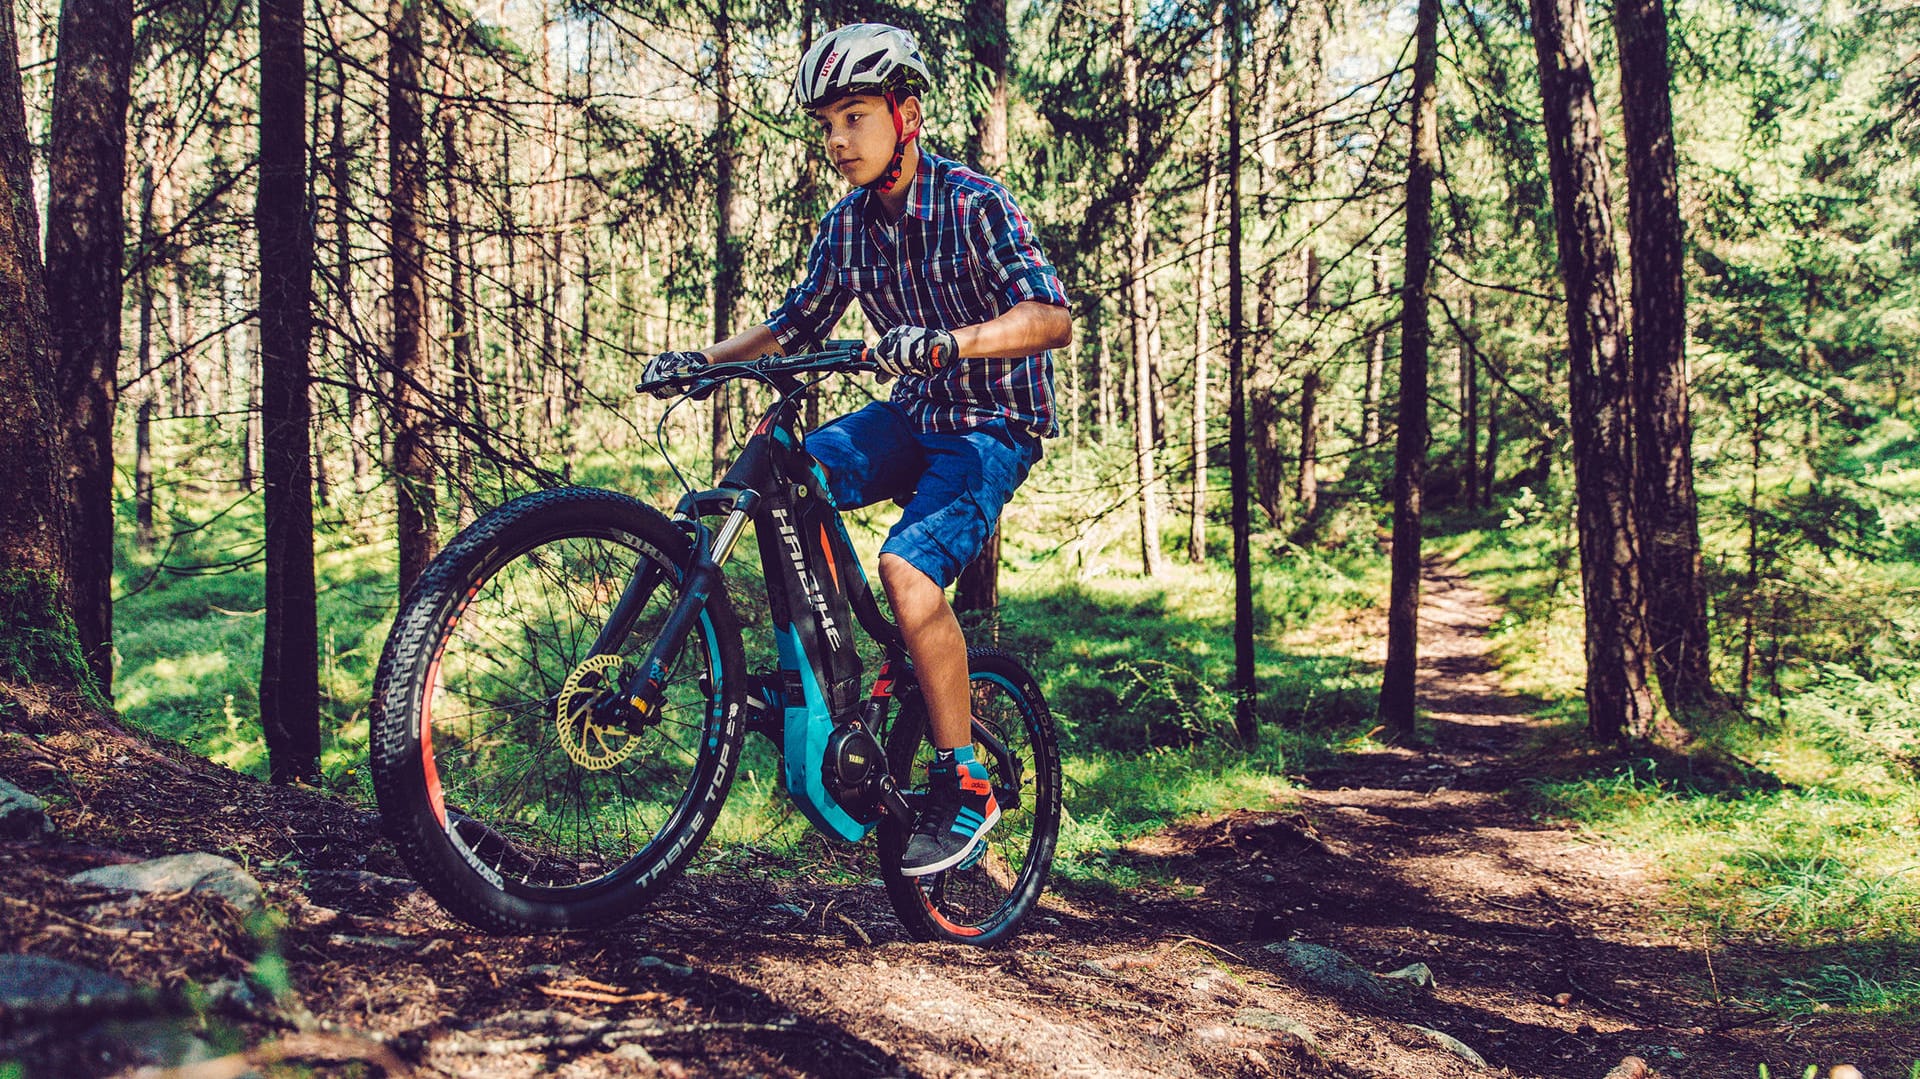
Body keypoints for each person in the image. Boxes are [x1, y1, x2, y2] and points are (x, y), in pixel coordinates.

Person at [644, 22, 1071, 877]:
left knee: (908, 573)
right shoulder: (845, 227)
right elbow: (793, 325)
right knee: (784, 478)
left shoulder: (973, 203)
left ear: (906, 116)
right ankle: (834, 676)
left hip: (991, 424)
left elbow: (1051, 317)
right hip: (911, 413)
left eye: (854, 117)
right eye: (827, 125)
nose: (838, 141)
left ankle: (967, 782)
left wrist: (952, 342)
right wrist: (706, 362)